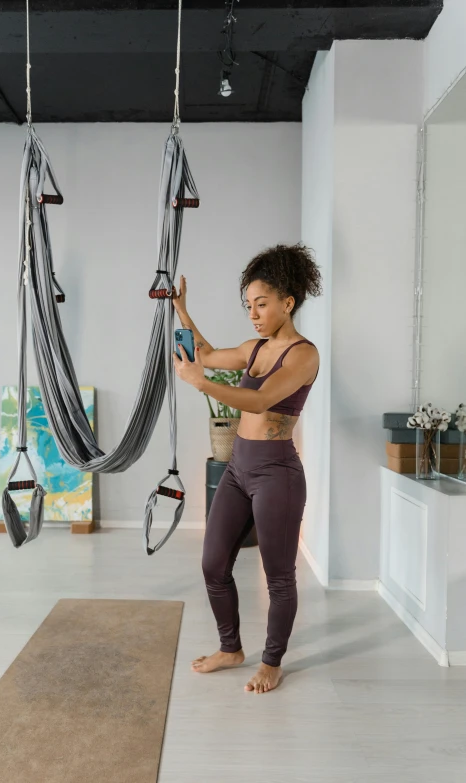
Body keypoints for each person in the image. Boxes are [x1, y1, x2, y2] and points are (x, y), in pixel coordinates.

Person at [172, 243, 322, 694]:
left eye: (261, 304)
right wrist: (182, 311)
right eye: (248, 306)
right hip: (238, 466)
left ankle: (272, 661)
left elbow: (259, 400)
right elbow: (209, 353)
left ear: (287, 303)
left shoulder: (303, 355)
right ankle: (231, 647)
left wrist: (201, 383)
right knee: (213, 563)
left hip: (277, 472)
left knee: (278, 577)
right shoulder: (254, 348)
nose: (253, 314)